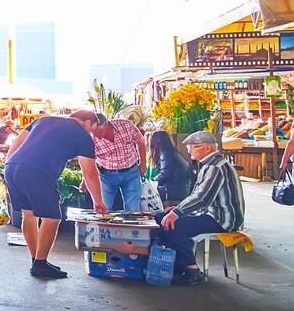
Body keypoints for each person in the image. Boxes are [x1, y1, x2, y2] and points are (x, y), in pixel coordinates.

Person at [3, 111, 107, 280]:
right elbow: (90, 173)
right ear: (87, 123)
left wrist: (8, 165)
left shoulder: (43, 120)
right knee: (52, 218)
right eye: (92, 130)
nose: (91, 134)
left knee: (28, 215)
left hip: (12, 168)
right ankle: (40, 264)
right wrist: (98, 201)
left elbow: (17, 142)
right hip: (37, 172)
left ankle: (37, 259)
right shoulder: (82, 135)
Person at [153, 132, 244, 286]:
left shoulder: (215, 167)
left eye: (194, 147)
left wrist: (177, 212)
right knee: (159, 217)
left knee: (175, 225)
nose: (189, 151)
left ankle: (191, 270)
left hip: (222, 218)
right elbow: (199, 196)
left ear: (208, 147)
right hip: (210, 213)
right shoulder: (210, 164)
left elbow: (202, 198)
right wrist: (177, 208)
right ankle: (176, 264)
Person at [93, 115, 147, 210]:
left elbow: (140, 142)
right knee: (103, 209)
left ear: (107, 125)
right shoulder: (91, 137)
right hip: (106, 175)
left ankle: (130, 225)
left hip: (131, 172)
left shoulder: (125, 125)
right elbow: (89, 160)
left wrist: (143, 164)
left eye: (99, 131)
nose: (96, 134)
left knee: (133, 210)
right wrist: (85, 180)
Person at [148, 130, 192, 207]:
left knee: (145, 193)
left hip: (171, 191)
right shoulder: (174, 153)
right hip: (182, 190)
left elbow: (165, 174)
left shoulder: (166, 154)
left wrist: (150, 182)